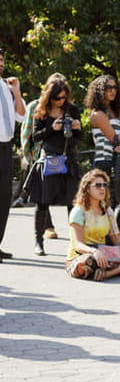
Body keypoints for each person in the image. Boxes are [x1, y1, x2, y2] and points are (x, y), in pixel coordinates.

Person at [24, 74, 82, 256]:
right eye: (57, 98)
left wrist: (78, 128)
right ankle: (38, 241)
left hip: (69, 160)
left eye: (64, 97)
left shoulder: (72, 109)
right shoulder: (40, 110)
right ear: (49, 97)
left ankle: (76, 243)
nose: (61, 101)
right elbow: (35, 137)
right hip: (49, 160)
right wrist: (52, 128)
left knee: (73, 204)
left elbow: (79, 138)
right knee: (42, 203)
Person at [65, 169, 120, 281]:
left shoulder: (108, 211)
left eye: (105, 185)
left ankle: (108, 273)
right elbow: (78, 244)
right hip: (83, 254)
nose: (102, 188)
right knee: (89, 262)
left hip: (104, 252)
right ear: (87, 189)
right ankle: (119, 268)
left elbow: (117, 240)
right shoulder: (79, 211)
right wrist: (94, 251)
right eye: (97, 185)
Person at [86, 75, 120, 233]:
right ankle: (106, 242)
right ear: (99, 91)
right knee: (107, 205)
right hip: (104, 163)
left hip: (119, 162)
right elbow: (115, 138)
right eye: (108, 88)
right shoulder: (97, 114)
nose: (112, 90)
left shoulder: (116, 112)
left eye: (115, 87)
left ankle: (114, 238)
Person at [16, 89, 57, 239]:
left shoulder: (65, 106)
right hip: (39, 155)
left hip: (58, 154)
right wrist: (27, 156)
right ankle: (48, 227)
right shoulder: (35, 106)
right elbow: (26, 132)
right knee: (43, 192)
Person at [0, 48, 26, 262]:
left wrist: (16, 92)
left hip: (6, 147)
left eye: (1, 60)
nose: (0, 63)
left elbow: (21, 116)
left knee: (4, 198)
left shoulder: (7, 88)